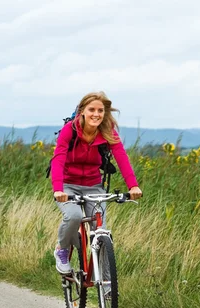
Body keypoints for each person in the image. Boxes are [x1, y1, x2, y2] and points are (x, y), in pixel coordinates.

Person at [51, 91, 143, 274]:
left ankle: (107, 286)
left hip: (94, 186)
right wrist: (58, 189)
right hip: (68, 186)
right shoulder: (71, 129)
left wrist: (133, 185)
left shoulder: (107, 132)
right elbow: (58, 158)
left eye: (100, 110)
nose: (96, 114)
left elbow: (121, 157)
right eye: (91, 109)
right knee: (74, 216)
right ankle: (62, 249)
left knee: (100, 231)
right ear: (82, 111)